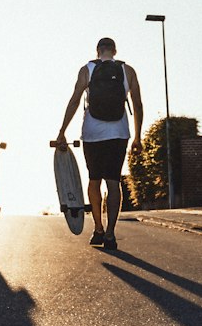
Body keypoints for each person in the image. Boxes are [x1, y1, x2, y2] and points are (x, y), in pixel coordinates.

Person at [55, 37, 142, 251]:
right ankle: (111, 234)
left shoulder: (87, 70)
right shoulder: (127, 71)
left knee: (94, 180)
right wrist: (138, 137)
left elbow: (75, 100)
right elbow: (138, 104)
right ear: (114, 51)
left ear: (97, 51)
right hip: (119, 133)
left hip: (92, 134)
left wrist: (62, 131)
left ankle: (98, 228)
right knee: (113, 182)